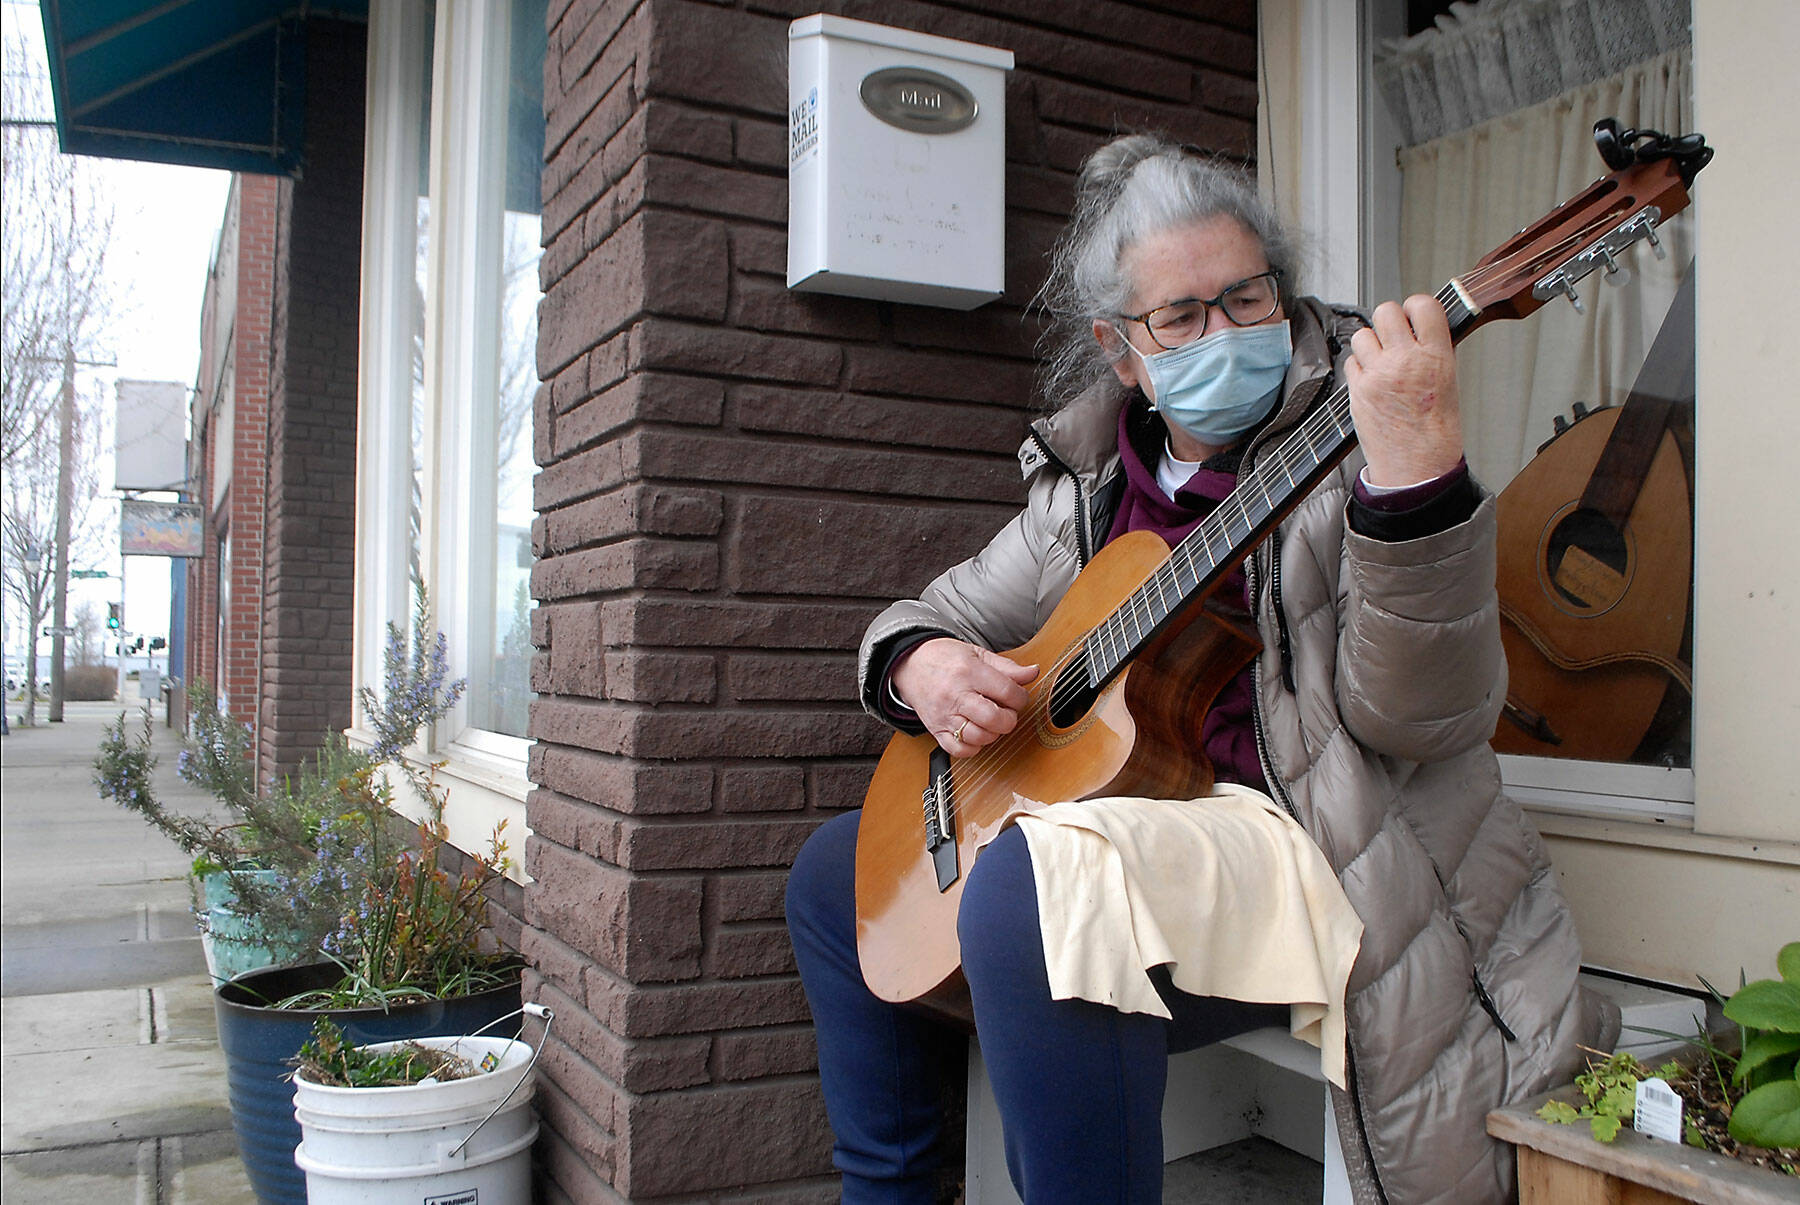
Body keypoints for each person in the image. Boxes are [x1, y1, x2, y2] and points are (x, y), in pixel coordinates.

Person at [785, 133, 1615, 1205]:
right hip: (1137, 828)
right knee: (828, 874)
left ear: (1284, 292)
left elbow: (1424, 719)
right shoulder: (1087, 489)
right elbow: (926, 614)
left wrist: (1417, 484)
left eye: (1245, 296)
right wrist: (924, 665)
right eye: (1180, 316)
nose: (1219, 330)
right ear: (1122, 349)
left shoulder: (1358, 438)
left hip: (1326, 841)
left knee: (1033, 887)